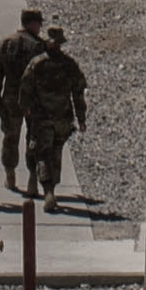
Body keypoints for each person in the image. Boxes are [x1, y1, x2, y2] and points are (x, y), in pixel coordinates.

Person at [13, 12, 88, 205]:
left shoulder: (37, 64)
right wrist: (81, 118)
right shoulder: (70, 65)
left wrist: (26, 109)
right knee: (56, 152)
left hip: (42, 118)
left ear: (48, 43)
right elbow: (78, 93)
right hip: (63, 117)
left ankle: (48, 191)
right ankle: (52, 187)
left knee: (42, 154)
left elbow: (25, 89)